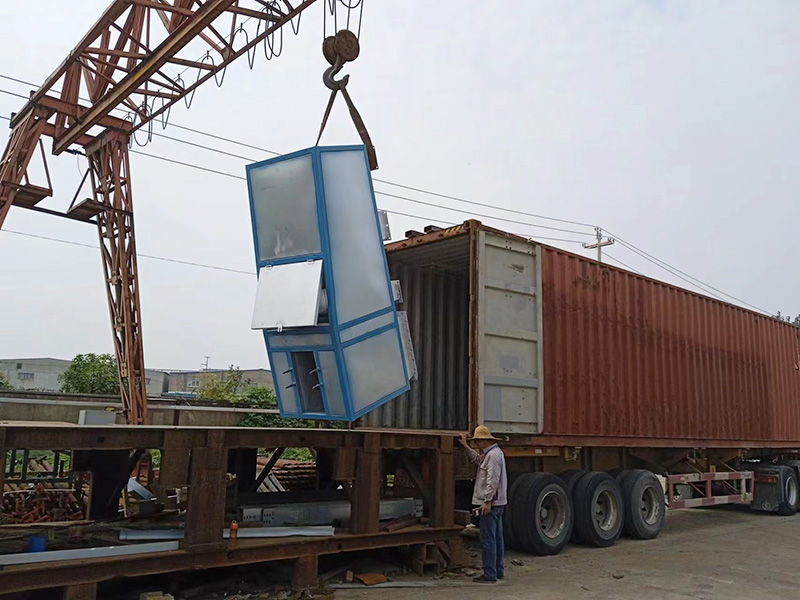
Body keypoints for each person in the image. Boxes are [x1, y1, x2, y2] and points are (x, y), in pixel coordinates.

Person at [458, 424, 507, 583]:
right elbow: (478, 460)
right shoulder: (493, 454)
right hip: (499, 503)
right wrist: (465, 447)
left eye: (478, 442)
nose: (477, 445)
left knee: (488, 540)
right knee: (497, 539)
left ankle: (489, 574)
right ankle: (498, 571)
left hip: (491, 505)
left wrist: (487, 501)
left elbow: (492, 480)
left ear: (484, 441)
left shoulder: (492, 456)